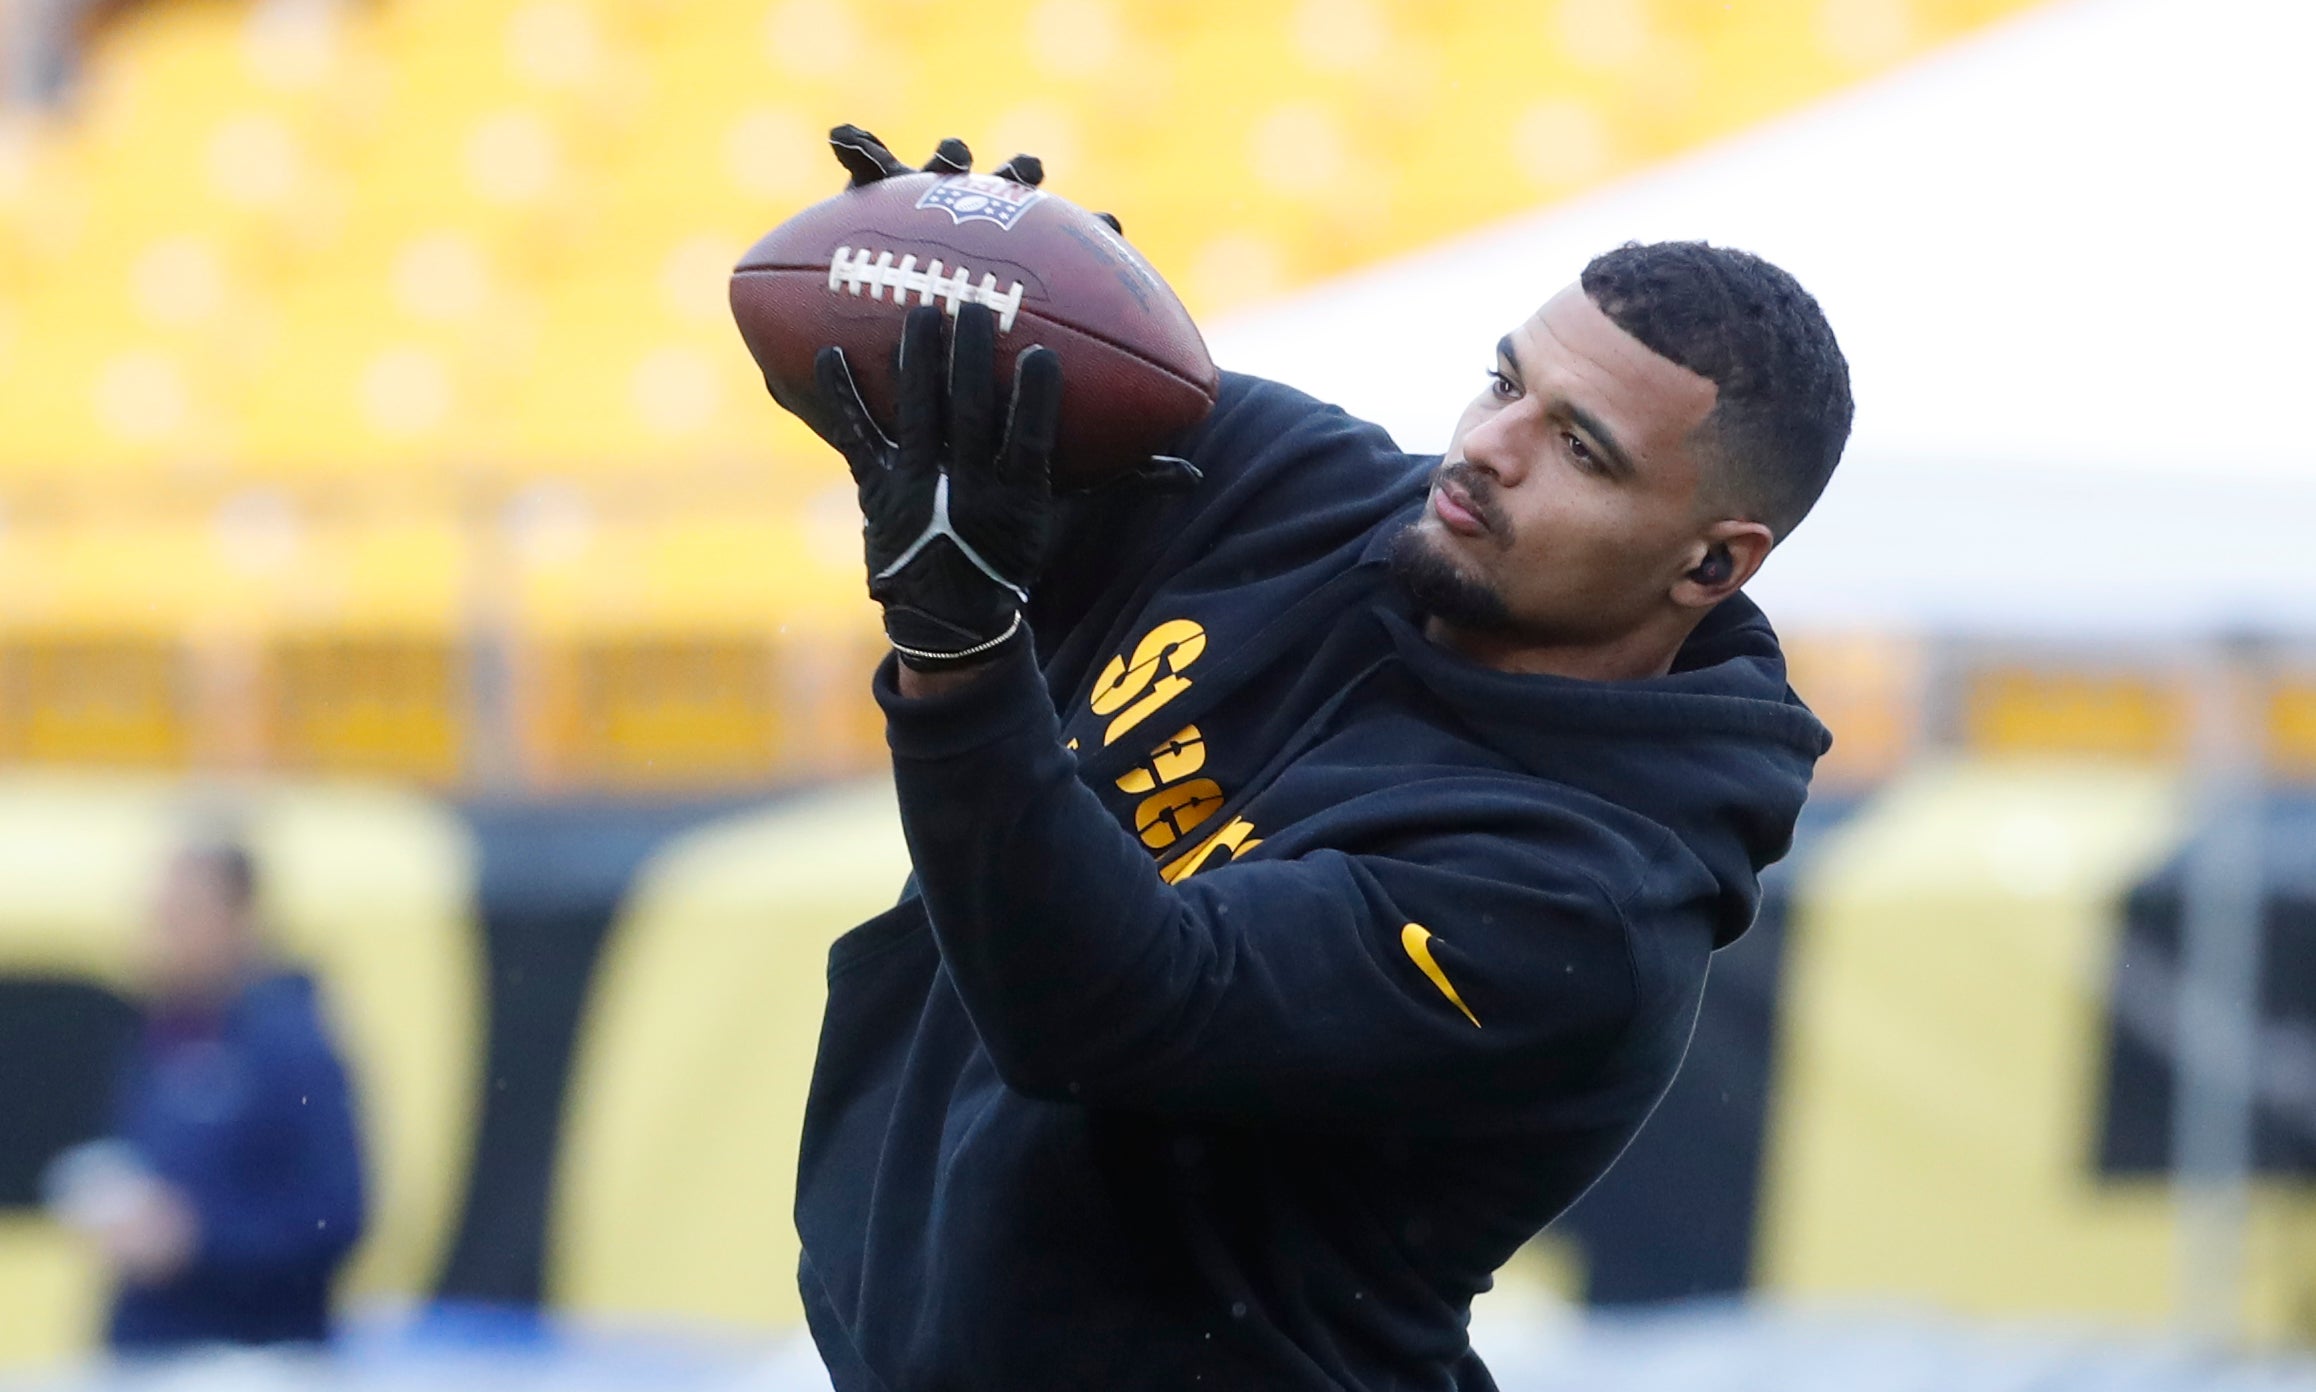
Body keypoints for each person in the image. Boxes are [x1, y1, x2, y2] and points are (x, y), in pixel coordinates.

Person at [782, 129, 1852, 1390]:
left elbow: (1105, 1012)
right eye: (1505, 385)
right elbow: (1008, 394)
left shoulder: (1580, 897)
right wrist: (956, 274)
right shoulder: (1312, 492)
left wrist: (957, 646)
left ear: (1711, 563)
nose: (1489, 450)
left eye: (1580, 448)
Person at [48, 838, 366, 1354]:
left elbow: (337, 1217)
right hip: (152, 1349)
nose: (161, 937)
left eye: (182, 916)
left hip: (252, 1355)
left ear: (240, 919)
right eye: (158, 917)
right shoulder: (160, 1035)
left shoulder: (293, 1046)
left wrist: (198, 1242)